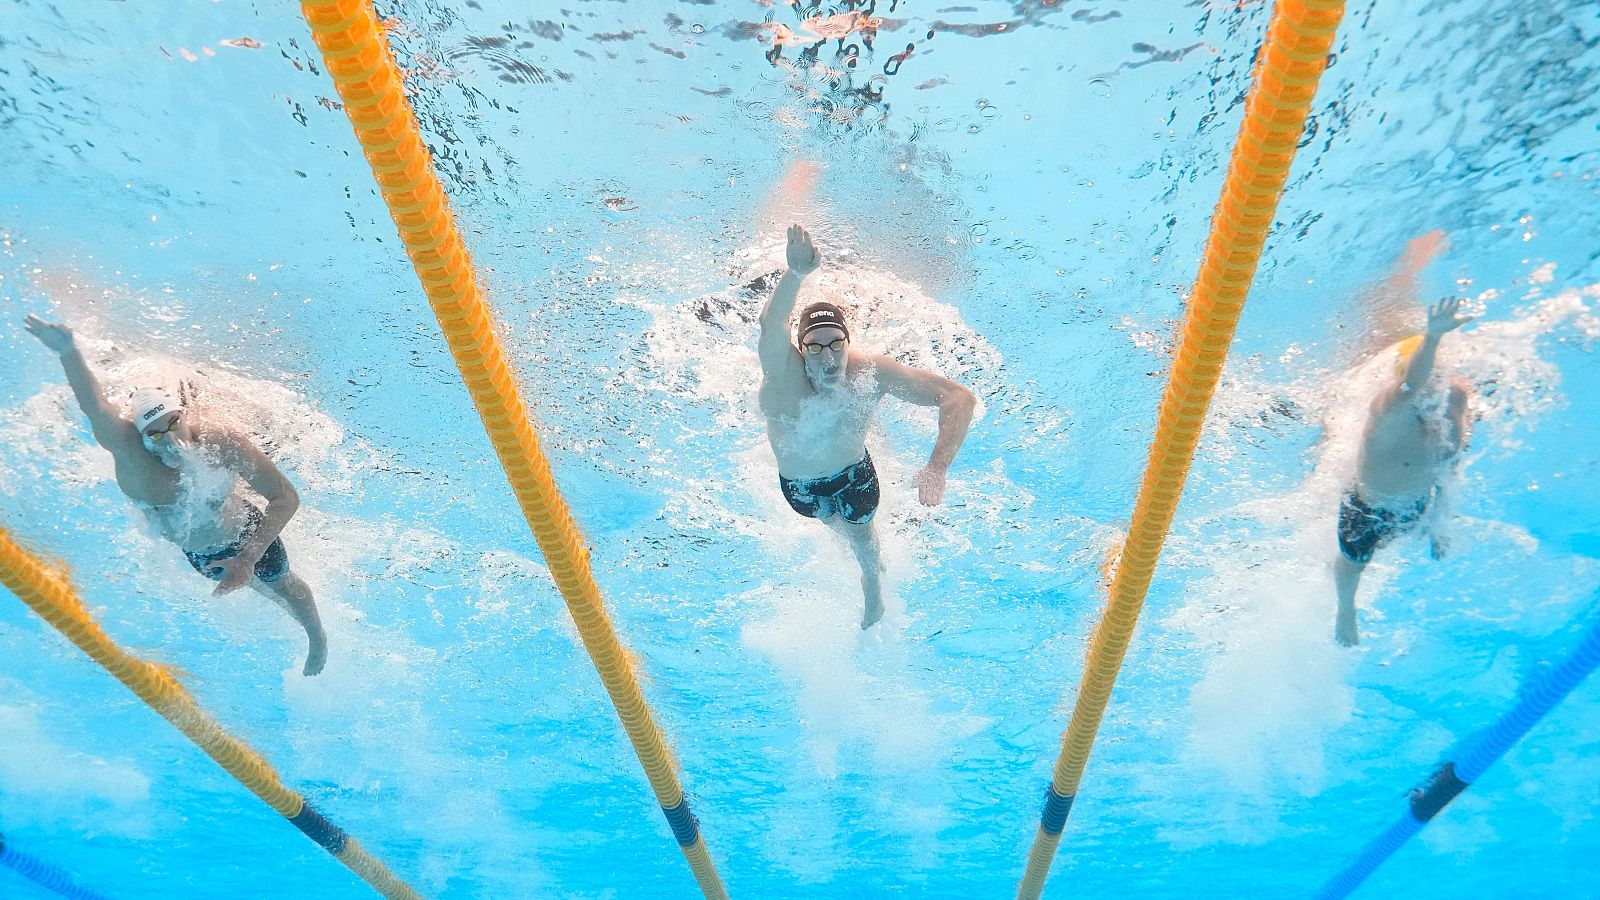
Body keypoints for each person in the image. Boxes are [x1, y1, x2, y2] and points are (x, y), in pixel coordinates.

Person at [23, 314, 328, 675]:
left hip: (247, 535)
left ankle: (316, 637)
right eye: (154, 434)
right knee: (265, 591)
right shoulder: (132, 457)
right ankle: (281, 607)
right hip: (203, 556)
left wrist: (248, 558)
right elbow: (96, 407)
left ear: (183, 414)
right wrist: (68, 351)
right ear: (141, 437)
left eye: (172, 423)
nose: (168, 438)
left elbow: (286, 497)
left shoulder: (221, 441)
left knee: (285, 584)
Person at [758, 225, 977, 629]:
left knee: (861, 537)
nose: (828, 357)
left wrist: (938, 467)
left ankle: (872, 580)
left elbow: (959, 398)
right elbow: (771, 328)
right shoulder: (783, 378)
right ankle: (853, 551)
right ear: (800, 349)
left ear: (848, 342)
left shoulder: (869, 372)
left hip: (853, 475)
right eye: (815, 346)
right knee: (828, 521)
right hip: (800, 488)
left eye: (836, 344)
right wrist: (795, 275)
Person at [1334, 297, 1473, 646]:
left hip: (1415, 505)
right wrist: (1433, 337)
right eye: (1427, 379)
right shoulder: (1389, 411)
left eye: (1437, 379)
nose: (1432, 388)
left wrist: (1440, 522)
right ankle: (1345, 609)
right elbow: (1411, 384)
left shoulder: (1454, 401)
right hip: (1365, 507)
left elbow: (1448, 466)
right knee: (1354, 563)